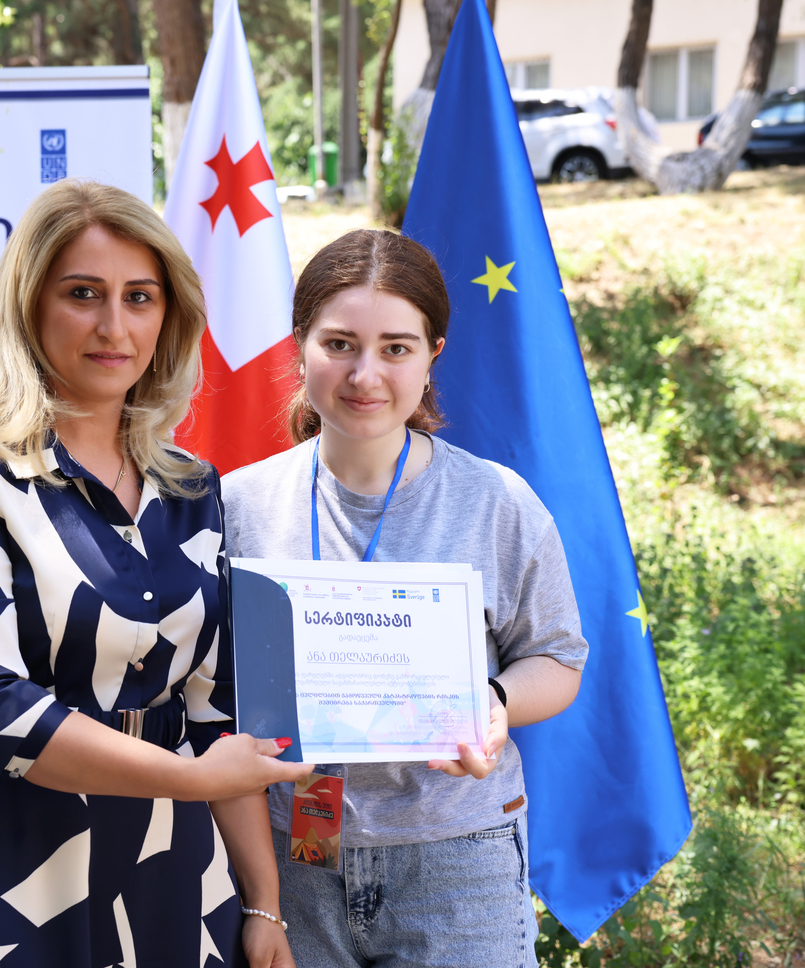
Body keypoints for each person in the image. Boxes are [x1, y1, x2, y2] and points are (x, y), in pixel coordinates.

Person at [0, 179, 311, 968]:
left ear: (168, 316)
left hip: (175, 879)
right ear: (29, 305)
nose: (115, 326)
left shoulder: (191, 487)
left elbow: (216, 714)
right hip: (7, 873)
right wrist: (190, 779)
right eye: (83, 294)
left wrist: (263, 905)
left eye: (140, 298)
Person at [222, 229, 588, 968]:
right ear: (300, 346)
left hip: (458, 860)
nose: (365, 374)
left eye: (396, 348)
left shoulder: (496, 502)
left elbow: (558, 658)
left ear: (432, 356)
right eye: (340, 344)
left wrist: (494, 703)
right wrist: (262, 900)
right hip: (292, 856)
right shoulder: (237, 506)